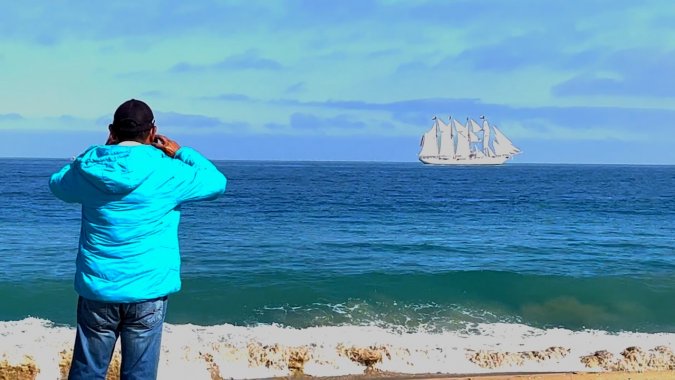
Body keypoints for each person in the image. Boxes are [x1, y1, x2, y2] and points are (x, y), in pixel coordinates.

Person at [49, 99, 227, 380]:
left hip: (98, 289)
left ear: (112, 131)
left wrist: (96, 154)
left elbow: (57, 184)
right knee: (140, 374)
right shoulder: (169, 171)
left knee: (87, 372)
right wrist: (181, 152)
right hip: (148, 290)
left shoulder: (90, 170)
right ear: (153, 131)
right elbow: (217, 182)